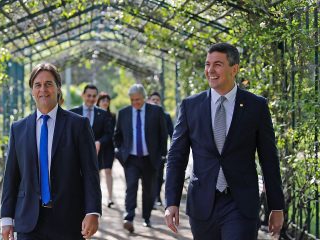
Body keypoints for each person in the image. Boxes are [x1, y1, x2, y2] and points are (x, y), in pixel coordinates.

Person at [164, 43, 285, 239]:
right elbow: (176, 157)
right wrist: (171, 202)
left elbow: (269, 159)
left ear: (234, 69)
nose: (210, 70)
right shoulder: (190, 106)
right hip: (203, 204)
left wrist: (277, 207)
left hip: (241, 204)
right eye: (207, 64)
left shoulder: (256, 106)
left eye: (218, 64)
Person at [0, 63, 102, 240]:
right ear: (32, 90)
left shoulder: (78, 125)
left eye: (48, 84)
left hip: (68, 219)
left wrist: (92, 211)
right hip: (28, 221)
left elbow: (90, 172)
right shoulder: (18, 129)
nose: (43, 89)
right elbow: (11, 177)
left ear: (58, 88)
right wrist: (6, 218)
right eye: (37, 85)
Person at [114, 84, 168, 232]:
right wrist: (120, 153)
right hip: (131, 159)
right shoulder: (123, 113)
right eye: (132, 100)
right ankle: (129, 217)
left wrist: (162, 156)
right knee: (131, 187)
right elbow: (117, 136)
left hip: (150, 159)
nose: (135, 103)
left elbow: (163, 135)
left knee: (148, 190)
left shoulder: (156, 112)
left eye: (138, 99)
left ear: (144, 97)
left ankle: (146, 217)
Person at [70, 84, 113, 167]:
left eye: (94, 96)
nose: (91, 99)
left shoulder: (103, 114)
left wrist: (99, 142)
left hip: (96, 158)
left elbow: (108, 134)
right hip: (76, 157)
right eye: (88, 96)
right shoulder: (73, 112)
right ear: (83, 95)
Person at [148, 91, 174, 207]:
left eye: (157, 100)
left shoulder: (166, 116)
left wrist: (171, 151)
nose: (155, 101)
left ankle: (157, 197)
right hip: (146, 152)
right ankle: (150, 198)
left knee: (159, 175)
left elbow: (172, 134)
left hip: (160, 152)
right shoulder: (145, 115)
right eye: (153, 99)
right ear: (149, 101)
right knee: (149, 176)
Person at [96, 92, 117, 208]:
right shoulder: (94, 114)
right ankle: (97, 197)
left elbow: (113, 133)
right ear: (98, 101)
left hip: (108, 147)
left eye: (107, 100)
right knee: (97, 173)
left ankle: (110, 198)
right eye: (103, 100)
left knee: (108, 171)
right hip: (96, 147)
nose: (105, 102)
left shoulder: (112, 116)